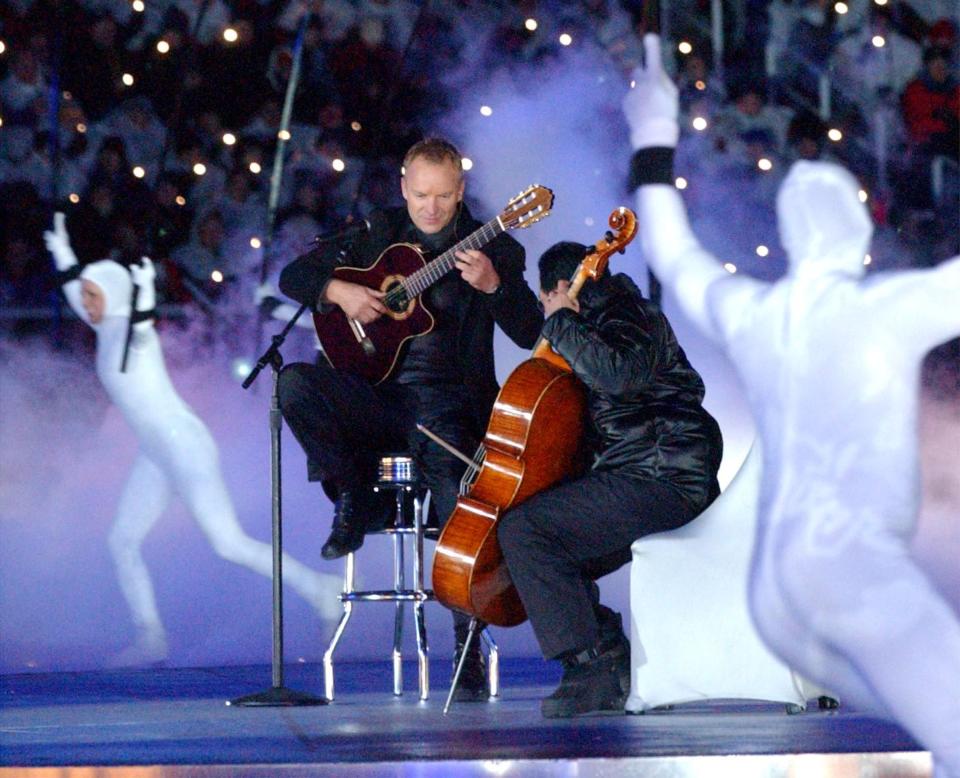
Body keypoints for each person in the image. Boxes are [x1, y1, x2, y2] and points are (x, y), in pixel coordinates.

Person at [624, 34, 960, 777]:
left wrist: (652, 138)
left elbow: (674, 254)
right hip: (850, 567)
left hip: (781, 591)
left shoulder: (755, 313)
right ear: (865, 230)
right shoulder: (887, 309)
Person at [276, 136, 543, 699]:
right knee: (293, 384)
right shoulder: (378, 232)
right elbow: (293, 278)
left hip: (450, 406)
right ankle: (352, 492)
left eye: (443, 197)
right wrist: (338, 291)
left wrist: (495, 289)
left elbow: (529, 332)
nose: (430, 208)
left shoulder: (494, 247)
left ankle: (468, 648)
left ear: (460, 191)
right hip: (378, 398)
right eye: (421, 194)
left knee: (454, 494)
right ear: (404, 186)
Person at [44, 213, 341, 667]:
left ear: (115, 297)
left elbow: (140, 323)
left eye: (92, 295)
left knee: (227, 542)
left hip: (183, 445)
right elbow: (78, 290)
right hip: (156, 453)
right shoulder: (106, 325)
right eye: (84, 295)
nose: (84, 303)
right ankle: (150, 637)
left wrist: (144, 291)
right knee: (122, 540)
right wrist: (63, 251)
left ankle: (321, 590)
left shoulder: (130, 331)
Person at [496, 241, 724, 719]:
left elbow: (619, 376)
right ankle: (605, 655)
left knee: (526, 531)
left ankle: (590, 665)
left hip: (664, 477)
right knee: (544, 552)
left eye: (546, 302)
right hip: (649, 475)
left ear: (561, 289)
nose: (549, 314)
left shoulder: (625, 314)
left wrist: (560, 320)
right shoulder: (605, 321)